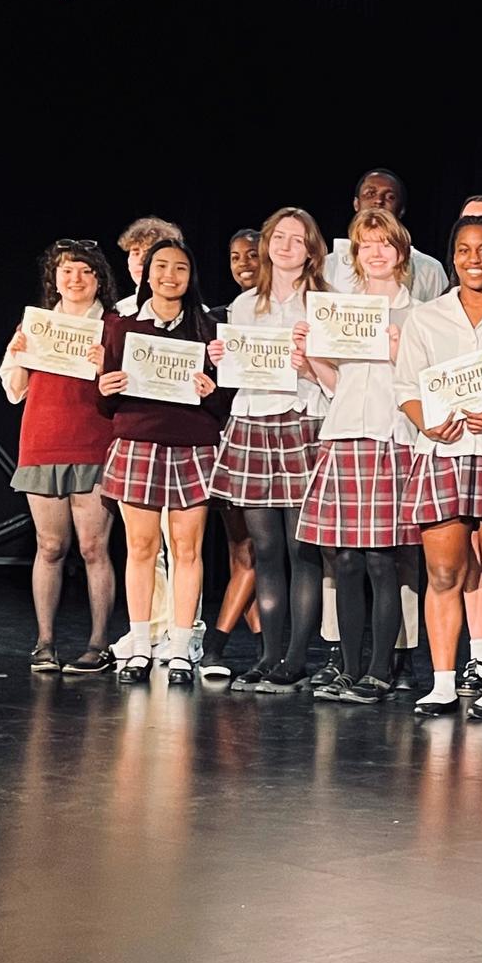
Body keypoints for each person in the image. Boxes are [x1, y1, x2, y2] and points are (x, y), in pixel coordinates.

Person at [395, 214, 482, 720]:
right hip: (444, 454)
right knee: (444, 573)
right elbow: (406, 387)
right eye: (465, 250)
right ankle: (444, 682)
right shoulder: (427, 317)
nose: (475, 259)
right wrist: (427, 424)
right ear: (453, 257)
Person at [292, 207, 420, 706]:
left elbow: (424, 384)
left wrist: (399, 353)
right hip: (343, 435)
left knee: (382, 561)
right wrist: (311, 358)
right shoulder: (340, 310)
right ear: (356, 254)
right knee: (344, 560)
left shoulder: (418, 314)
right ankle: (348, 668)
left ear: (401, 252)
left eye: (385, 243)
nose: (376, 252)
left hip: (390, 438)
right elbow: (336, 382)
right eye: (367, 244)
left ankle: (380, 671)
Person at [92, 239, 226, 684]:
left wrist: (213, 391)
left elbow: (225, 401)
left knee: (187, 549)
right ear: (147, 273)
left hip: (193, 446)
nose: (170, 275)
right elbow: (106, 401)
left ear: (191, 276)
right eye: (162, 266)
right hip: (138, 443)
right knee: (141, 548)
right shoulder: (121, 326)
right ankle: (140, 647)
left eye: (180, 267)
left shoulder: (210, 328)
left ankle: (182, 648)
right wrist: (104, 387)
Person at [210, 207, 330, 692]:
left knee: (302, 549)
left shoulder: (324, 304)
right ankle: (268, 654)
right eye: (278, 237)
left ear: (311, 250)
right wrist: (222, 358)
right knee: (264, 548)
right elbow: (238, 370)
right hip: (254, 421)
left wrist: (308, 365)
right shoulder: (243, 306)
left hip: (302, 420)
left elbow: (339, 377)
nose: (284, 246)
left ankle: (295, 658)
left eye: (296, 239)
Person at [0, 238, 121, 674]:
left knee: (93, 547)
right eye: (67, 270)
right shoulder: (37, 324)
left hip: (93, 444)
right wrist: (19, 356)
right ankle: (45, 643)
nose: (76, 279)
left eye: (86, 271)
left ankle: (98, 645)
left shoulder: (112, 327)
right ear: (54, 278)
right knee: (50, 545)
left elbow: (127, 389)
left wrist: (106, 364)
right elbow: (15, 390)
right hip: (43, 442)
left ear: (99, 279)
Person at [201, 230, 264, 679]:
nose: (243, 263)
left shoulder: (288, 315)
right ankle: (259, 646)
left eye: (252, 255)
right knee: (241, 551)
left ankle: (216, 645)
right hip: (227, 442)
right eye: (235, 256)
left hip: (271, 437)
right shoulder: (218, 319)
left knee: (256, 551)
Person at [325, 169, 449, 301]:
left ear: (401, 210)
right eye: (370, 194)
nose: (378, 201)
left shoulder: (430, 269)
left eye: (390, 197)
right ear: (356, 203)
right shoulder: (328, 266)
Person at [114, 216, 183, 313]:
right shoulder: (119, 311)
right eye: (135, 253)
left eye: (148, 254)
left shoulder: (195, 313)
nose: (140, 261)